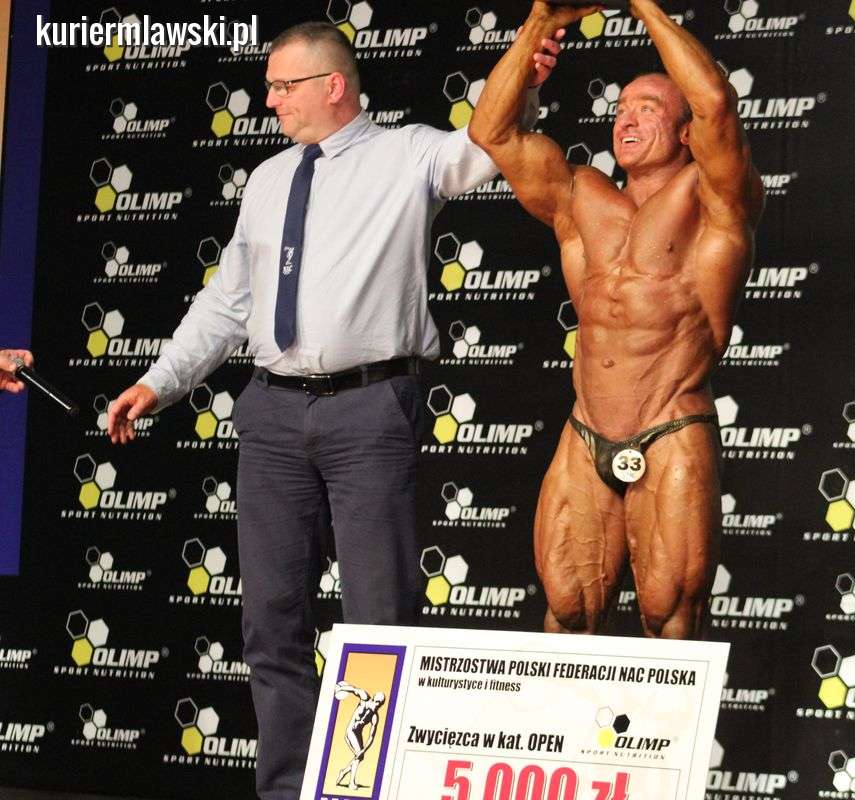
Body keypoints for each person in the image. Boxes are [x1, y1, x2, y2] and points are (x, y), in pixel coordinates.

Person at [105, 21, 561, 800]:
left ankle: (366, 789)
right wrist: (160, 382)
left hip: (369, 412)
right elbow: (228, 302)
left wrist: (526, 77)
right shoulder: (267, 180)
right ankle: (286, 791)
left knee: (379, 624)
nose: (270, 100)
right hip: (271, 416)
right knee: (271, 622)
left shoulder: (409, 154)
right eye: (270, 87)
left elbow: (487, 142)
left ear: (334, 86)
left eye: (284, 86)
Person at [469, 0, 763, 640]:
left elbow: (715, 102)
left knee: (670, 615)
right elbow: (491, 133)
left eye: (648, 109)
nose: (626, 119)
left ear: (685, 133)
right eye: (622, 109)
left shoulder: (715, 198)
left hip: (670, 423)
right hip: (586, 429)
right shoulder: (579, 195)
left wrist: (642, 5)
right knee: (567, 610)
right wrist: (540, 22)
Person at [332, 682, 385, 791]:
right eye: (377, 702)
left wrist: (364, 750)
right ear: (373, 698)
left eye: (380, 704)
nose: (378, 705)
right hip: (350, 731)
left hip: (358, 734)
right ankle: (351, 783)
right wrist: (341, 689)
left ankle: (344, 771)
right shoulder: (364, 698)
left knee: (360, 756)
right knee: (358, 756)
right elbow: (353, 689)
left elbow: (371, 736)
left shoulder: (374, 716)